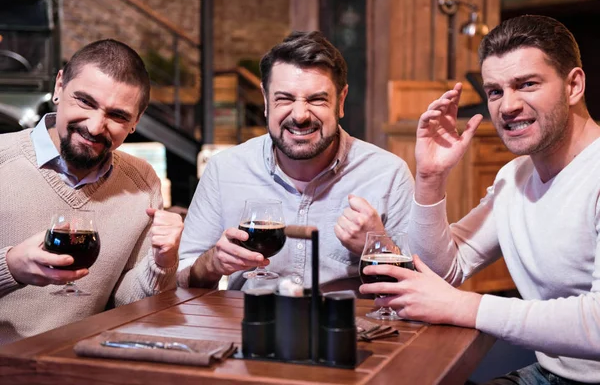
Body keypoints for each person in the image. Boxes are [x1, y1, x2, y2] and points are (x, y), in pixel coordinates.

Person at [360, 15, 600, 383]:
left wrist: (464, 306)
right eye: (495, 91)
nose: (508, 106)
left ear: (574, 86)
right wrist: (430, 177)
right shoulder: (514, 178)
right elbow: (444, 269)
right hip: (551, 374)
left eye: (527, 84)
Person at [178, 31, 414, 292]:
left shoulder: (388, 174)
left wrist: (378, 247)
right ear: (266, 101)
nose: (300, 115)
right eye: (285, 99)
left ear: (341, 101)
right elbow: (182, 274)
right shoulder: (224, 169)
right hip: (250, 325)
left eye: (317, 99)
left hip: (351, 328)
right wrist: (212, 263)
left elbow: (421, 287)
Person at [0, 39, 184, 345]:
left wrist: (162, 262)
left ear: (136, 121)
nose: (96, 127)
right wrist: (10, 267)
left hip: (83, 363)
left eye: (118, 116)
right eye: (85, 102)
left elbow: (130, 304)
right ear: (59, 86)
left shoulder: (142, 180)